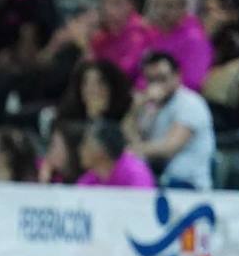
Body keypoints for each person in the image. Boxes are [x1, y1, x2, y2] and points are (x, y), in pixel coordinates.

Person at [125, 50, 216, 189]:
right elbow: (132, 137)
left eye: (162, 78)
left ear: (177, 75)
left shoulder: (190, 103)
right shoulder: (150, 107)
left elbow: (170, 147)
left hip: (188, 184)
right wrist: (135, 110)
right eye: (151, 80)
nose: (156, 85)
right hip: (158, 181)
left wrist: (132, 150)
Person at [77, 119, 156, 188]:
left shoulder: (136, 173)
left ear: (101, 150)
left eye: (85, 144)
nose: (80, 149)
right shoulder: (90, 178)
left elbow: (143, 203)